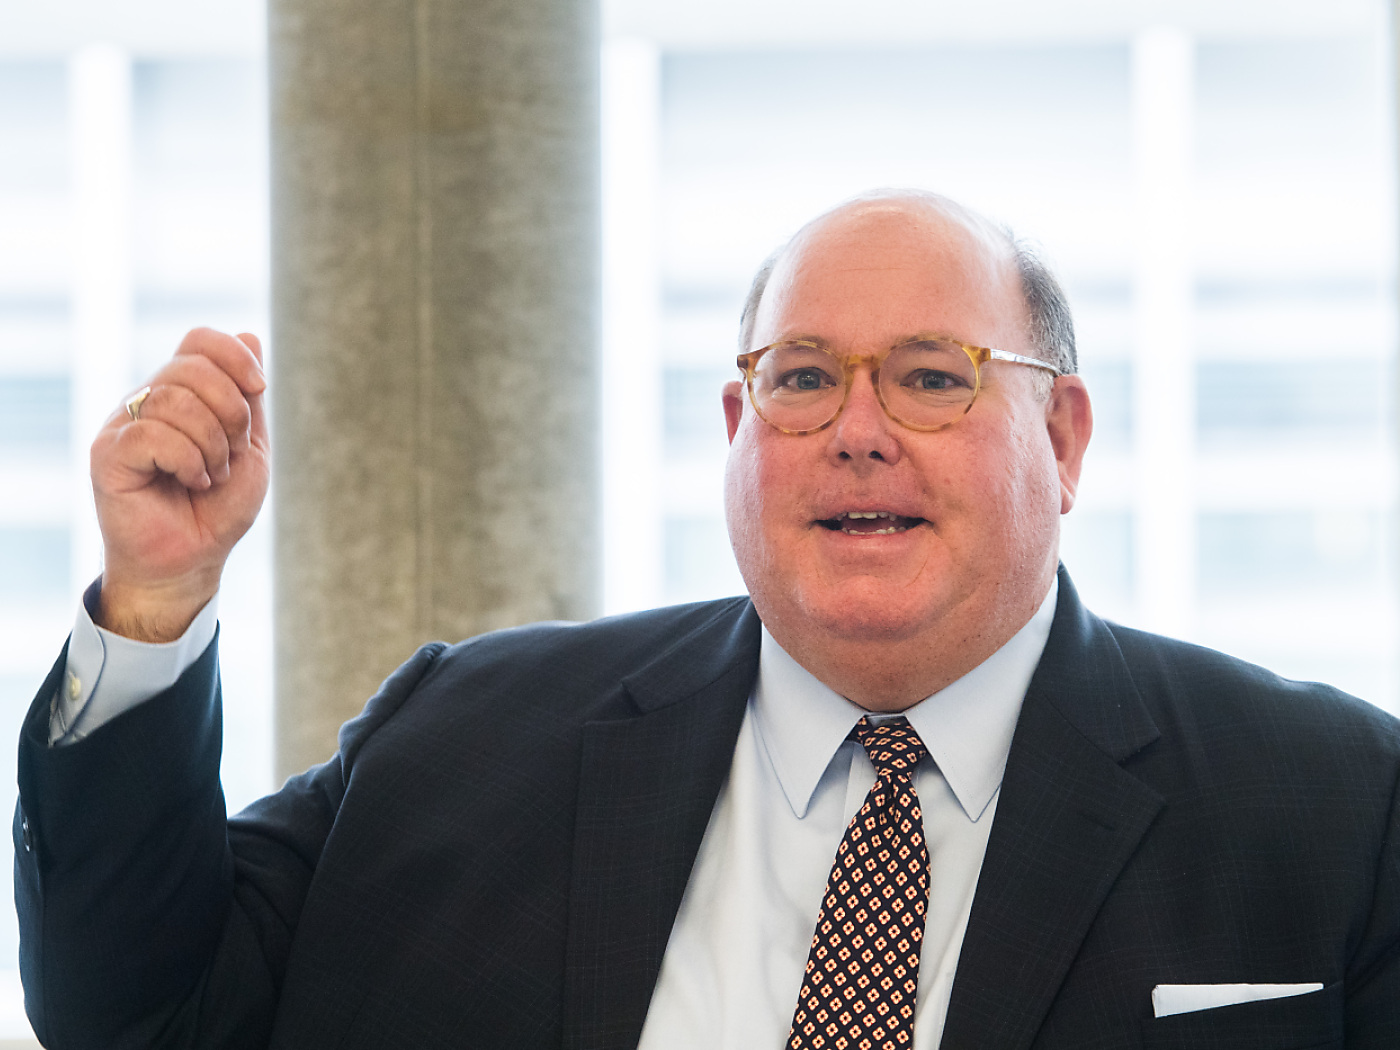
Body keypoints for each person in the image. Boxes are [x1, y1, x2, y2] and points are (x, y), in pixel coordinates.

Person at [15, 190, 1400, 1050]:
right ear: (738, 428)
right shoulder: (463, 738)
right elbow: (141, 1014)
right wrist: (156, 600)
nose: (857, 431)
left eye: (932, 376)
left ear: (1065, 438)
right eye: (801, 378)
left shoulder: (1338, 807)